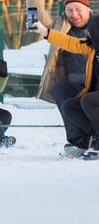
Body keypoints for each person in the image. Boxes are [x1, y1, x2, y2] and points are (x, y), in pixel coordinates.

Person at [26, 0, 94, 148]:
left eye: (79, 9)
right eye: (70, 10)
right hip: (74, 84)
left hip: (95, 83)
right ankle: (77, 142)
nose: (75, 14)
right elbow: (36, 17)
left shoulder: (96, 27)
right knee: (60, 90)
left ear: (88, 8)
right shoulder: (60, 25)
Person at [33, 17, 99, 160]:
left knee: (88, 101)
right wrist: (45, 31)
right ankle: (94, 137)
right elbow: (70, 43)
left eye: (91, 33)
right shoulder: (93, 47)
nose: (88, 35)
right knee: (69, 106)